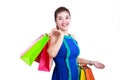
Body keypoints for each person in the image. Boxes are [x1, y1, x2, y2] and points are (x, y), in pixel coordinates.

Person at [47, 6, 105, 80]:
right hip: (62, 76)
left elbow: (73, 58)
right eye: (60, 18)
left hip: (75, 75)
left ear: (70, 19)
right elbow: (51, 53)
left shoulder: (73, 38)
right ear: (55, 21)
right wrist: (61, 35)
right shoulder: (54, 36)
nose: (64, 21)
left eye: (67, 18)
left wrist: (92, 62)